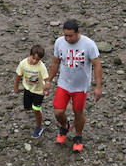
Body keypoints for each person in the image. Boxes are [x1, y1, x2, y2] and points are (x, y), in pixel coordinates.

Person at [43, 18, 101, 153]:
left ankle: (78, 136)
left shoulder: (89, 44)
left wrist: (98, 87)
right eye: (65, 35)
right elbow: (55, 62)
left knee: (78, 112)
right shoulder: (59, 42)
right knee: (58, 111)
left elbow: (97, 65)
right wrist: (49, 80)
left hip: (80, 87)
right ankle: (65, 126)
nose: (67, 39)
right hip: (64, 84)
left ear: (78, 32)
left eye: (70, 35)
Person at [13, 44, 48, 139]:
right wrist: (16, 87)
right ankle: (37, 110)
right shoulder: (23, 63)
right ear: (30, 54)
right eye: (33, 58)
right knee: (28, 108)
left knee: (36, 110)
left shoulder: (41, 67)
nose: (35, 61)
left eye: (37, 60)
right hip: (28, 89)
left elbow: (46, 79)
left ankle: (39, 127)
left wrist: (46, 89)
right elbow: (19, 75)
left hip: (38, 92)